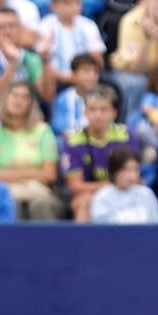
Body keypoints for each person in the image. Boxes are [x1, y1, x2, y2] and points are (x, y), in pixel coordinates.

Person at [0, 81, 62, 219]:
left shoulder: (43, 131)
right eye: (14, 95)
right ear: (5, 99)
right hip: (7, 192)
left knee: (42, 204)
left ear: (31, 103)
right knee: (10, 202)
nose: (18, 101)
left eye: (25, 97)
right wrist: (34, 172)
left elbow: (50, 174)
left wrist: (10, 173)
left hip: (40, 191)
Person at [63, 85, 140, 220]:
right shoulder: (73, 140)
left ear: (114, 113)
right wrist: (107, 186)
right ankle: (82, 240)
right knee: (84, 202)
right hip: (88, 194)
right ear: (85, 112)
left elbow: (133, 176)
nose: (98, 115)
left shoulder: (127, 136)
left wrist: (114, 187)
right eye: (92, 109)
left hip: (123, 190)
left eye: (104, 110)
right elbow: (76, 186)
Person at [0, 7, 51, 126]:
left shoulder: (32, 58)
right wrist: (13, 63)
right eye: (1, 27)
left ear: (21, 29)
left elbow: (47, 94)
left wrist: (45, 60)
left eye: (12, 26)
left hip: (27, 125)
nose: (7, 31)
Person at [35, 0, 105, 89]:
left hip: (85, 79)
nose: (74, 7)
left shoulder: (89, 26)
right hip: (55, 80)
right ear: (53, 6)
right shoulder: (45, 25)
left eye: (77, 2)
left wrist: (82, 76)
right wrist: (64, 77)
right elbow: (40, 60)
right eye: (67, 3)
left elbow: (98, 61)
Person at [90, 146, 158, 222]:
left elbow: (157, 224)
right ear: (115, 171)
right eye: (127, 170)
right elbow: (101, 229)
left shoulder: (147, 194)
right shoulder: (103, 197)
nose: (132, 175)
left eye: (135, 169)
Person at [51, 54, 99, 136]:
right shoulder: (63, 98)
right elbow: (59, 127)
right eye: (86, 71)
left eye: (95, 72)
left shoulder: (102, 98)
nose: (92, 76)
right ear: (74, 75)